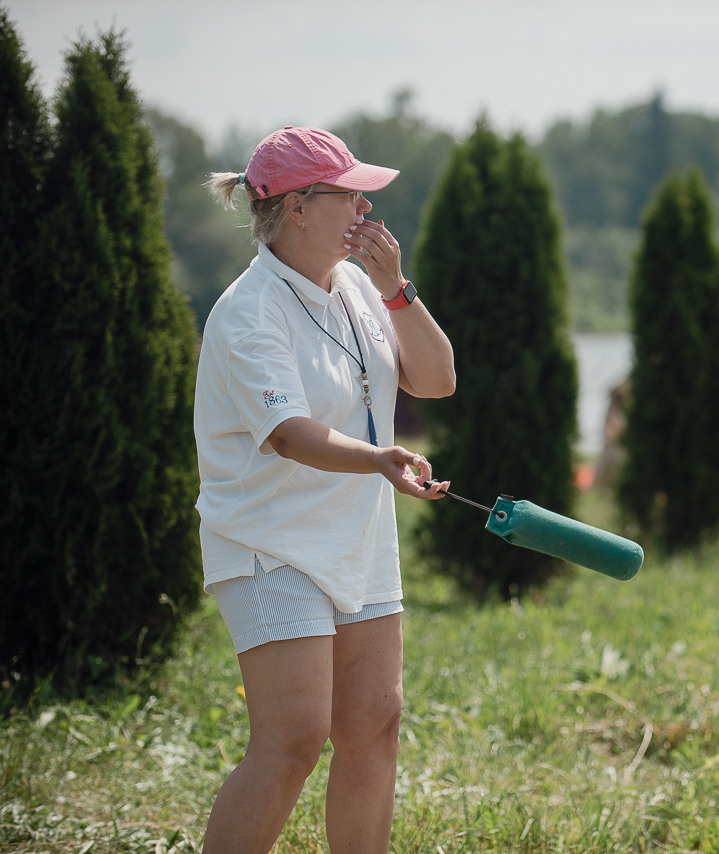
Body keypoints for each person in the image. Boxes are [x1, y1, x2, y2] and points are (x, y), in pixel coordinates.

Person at [194, 126, 455, 854]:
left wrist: (396, 291)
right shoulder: (249, 313)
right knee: (293, 741)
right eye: (351, 195)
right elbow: (288, 434)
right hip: (268, 544)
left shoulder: (357, 290)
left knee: (374, 722)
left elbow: (436, 380)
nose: (366, 209)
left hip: (356, 540)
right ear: (301, 207)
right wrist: (378, 459)